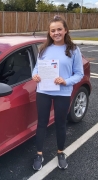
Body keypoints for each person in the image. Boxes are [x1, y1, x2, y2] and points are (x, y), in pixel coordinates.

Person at [32, 15, 84, 171]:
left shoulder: (73, 50)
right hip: (43, 90)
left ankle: (60, 152)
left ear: (65, 30)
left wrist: (65, 81)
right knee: (41, 123)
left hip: (63, 92)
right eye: (53, 30)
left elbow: (79, 74)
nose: (56, 33)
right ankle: (39, 154)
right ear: (49, 32)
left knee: (60, 124)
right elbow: (36, 68)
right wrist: (34, 75)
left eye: (59, 29)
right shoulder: (44, 49)